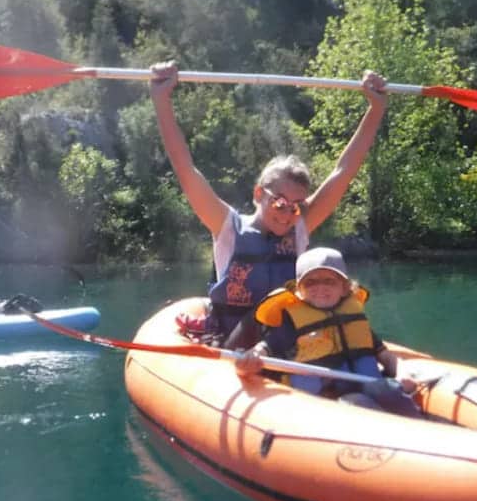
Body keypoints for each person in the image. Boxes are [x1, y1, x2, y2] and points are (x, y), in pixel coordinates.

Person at [149, 61, 387, 347]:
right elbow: (185, 168)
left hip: (289, 338)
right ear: (259, 194)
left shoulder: (300, 225)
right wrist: (161, 99)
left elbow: (343, 171)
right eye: (281, 203)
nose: (288, 215)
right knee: (262, 315)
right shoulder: (226, 226)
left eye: (297, 206)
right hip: (237, 341)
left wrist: (376, 109)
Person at [235, 247, 423, 418]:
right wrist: (250, 360)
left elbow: (385, 355)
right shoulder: (292, 323)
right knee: (357, 401)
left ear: (344, 288)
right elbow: (265, 349)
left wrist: (402, 372)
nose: (320, 288)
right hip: (323, 406)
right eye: (311, 282)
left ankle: (420, 427)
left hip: (364, 389)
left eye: (329, 281)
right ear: (299, 291)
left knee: (384, 389)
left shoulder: (353, 318)